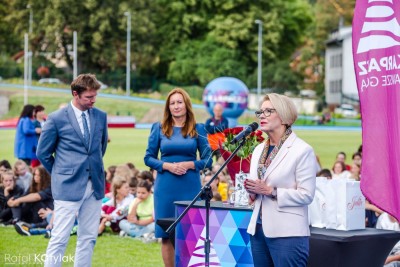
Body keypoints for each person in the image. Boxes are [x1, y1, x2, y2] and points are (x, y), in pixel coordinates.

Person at [36, 73, 108, 267]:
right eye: (89, 97)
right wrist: (61, 174)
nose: (93, 100)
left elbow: (100, 149)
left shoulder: (101, 116)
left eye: (95, 96)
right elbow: (43, 153)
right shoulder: (56, 118)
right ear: (75, 94)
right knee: (60, 238)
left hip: (95, 186)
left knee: (88, 238)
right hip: (67, 187)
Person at [244, 93, 317, 267]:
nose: (262, 116)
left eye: (268, 111)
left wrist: (271, 191)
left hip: (288, 233)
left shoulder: (302, 150)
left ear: (284, 116)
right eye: (260, 112)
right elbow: (259, 184)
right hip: (258, 229)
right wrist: (253, 192)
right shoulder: (259, 149)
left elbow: (307, 195)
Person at [144, 87, 213, 267]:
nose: (176, 106)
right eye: (172, 103)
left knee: (190, 234)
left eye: (179, 102)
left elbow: (208, 161)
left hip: (189, 186)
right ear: (168, 107)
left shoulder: (199, 129)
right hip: (165, 187)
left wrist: (190, 164)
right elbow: (148, 158)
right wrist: (166, 166)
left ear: (186, 105)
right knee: (166, 236)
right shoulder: (158, 128)